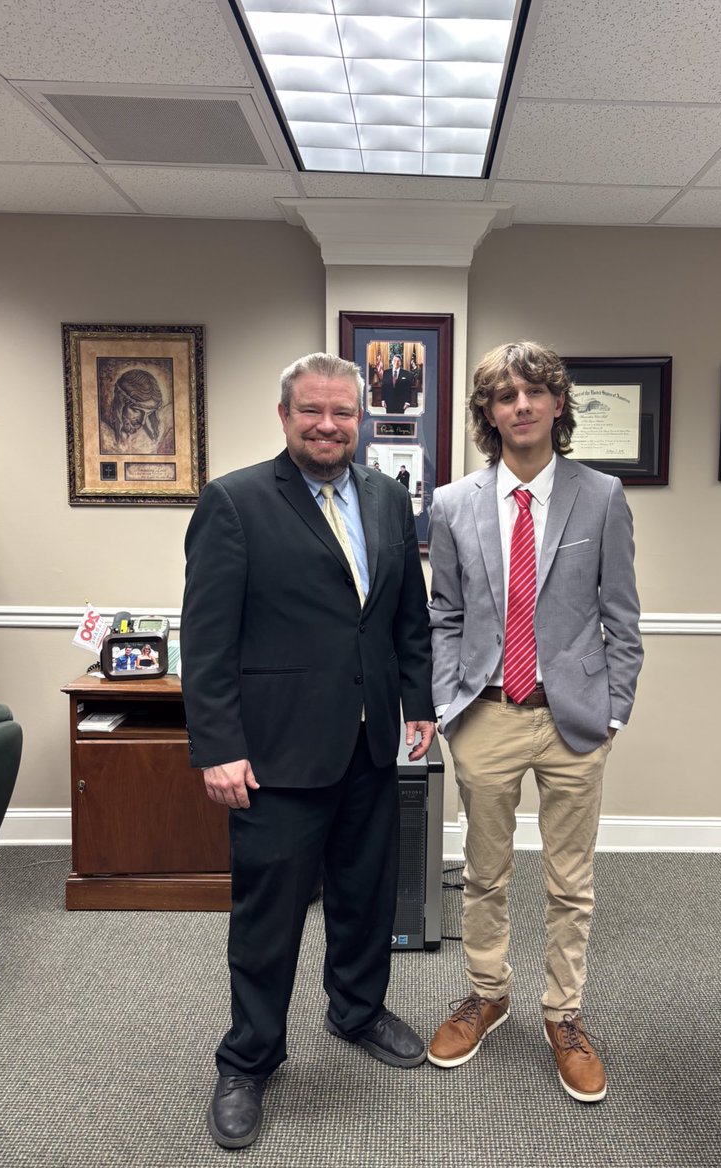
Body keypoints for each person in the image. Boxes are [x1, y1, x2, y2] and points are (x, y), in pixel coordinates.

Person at [180, 352, 436, 1150]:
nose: (328, 426)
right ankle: (248, 1059)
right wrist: (218, 747)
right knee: (269, 916)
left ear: (362, 420)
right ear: (285, 416)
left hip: (369, 740)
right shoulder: (235, 501)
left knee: (367, 895)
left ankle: (357, 1010)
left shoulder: (388, 498)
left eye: (343, 413)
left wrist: (419, 704)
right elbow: (207, 639)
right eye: (312, 411)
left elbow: (405, 616)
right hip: (277, 750)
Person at [426, 341, 642, 1103]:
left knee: (570, 880)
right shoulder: (453, 503)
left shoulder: (602, 496)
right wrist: (447, 704)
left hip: (572, 720)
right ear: (487, 413)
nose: (520, 405)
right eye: (504, 395)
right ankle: (487, 995)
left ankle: (563, 1014)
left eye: (534, 392)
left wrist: (614, 710)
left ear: (557, 404)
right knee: (483, 872)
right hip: (484, 713)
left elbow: (622, 617)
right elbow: (444, 614)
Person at [99, 364, 175, 455]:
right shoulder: (103, 434)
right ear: (121, 404)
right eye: (137, 410)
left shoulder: (149, 439)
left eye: (149, 413)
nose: (142, 421)